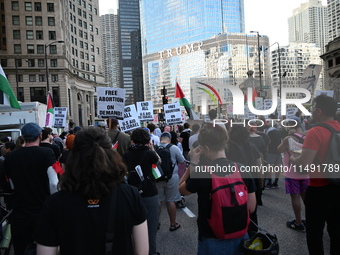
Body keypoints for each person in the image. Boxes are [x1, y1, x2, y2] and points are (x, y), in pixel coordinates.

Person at [34, 127, 149, 255]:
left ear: (73, 157)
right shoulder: (130, 195)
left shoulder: (54, 203)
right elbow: (142, 251)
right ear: (111, 154)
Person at [179, 123, 256, 255]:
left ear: (206, 148)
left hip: (212, 237)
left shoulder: (203, 173)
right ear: (225, 142)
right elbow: (251, 207)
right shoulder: (242, 168)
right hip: (241, 235)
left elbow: (181, 190)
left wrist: (193, 163)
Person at [290, 95, 340, 255]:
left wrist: (293, 157)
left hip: (319, 189)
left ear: (319, 111)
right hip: (338, 186)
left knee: (314, 233)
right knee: (336, 232)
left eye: (312, 108)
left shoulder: (315, 132)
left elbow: (304, 164)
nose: (311, 111)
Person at [4, 122, 58, 255]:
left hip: (20, 213)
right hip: (43, 211)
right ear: (40, 135)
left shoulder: (10, 157)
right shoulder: (47, 152)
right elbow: (54, 182)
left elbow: (11, 184)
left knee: (21, 249)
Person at [124, 128, 160, 255]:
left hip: (132, 194)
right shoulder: (149, 153)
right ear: (146, 139)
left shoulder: (126, 154)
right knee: (151, 231)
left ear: (132, 139)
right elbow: (159, 161)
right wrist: (152, 149)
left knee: (132, 230)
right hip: (149, 192)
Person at [277, 121, 309, 232]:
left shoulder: (288, 138)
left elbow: (279, 149)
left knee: (295, 198)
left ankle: (298, 223)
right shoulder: (308, 136)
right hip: (306, 171)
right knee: (306, 198)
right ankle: (310, 221)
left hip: (292, 173)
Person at [156, 132, 185, 231]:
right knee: (171, 200)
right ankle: (173, 224)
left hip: (158, 177)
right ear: (169, 139)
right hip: (172, 176)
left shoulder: (154, 148)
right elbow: (181, 161)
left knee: (159, 201)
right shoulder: (174, 148)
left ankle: (155, 223)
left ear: (161, 139)